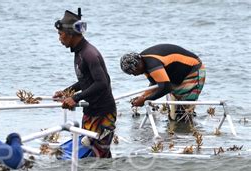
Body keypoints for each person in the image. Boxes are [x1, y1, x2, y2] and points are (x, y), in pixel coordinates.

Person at [53, 9, 117, 158]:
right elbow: (86, 80)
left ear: (70, 34)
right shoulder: (79, 52)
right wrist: (67, 91)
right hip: (90, 112)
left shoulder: (89, 54)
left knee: (99, 156)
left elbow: (102, 83)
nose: (59, 39)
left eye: (60, 34)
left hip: (103, 113)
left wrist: (75, 98)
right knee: (90, 154)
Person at [120, 44, 206, 121]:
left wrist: (145, 100)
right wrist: (143, 96)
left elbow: (165, 88)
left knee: (183, 113)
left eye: (134, 71)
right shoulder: (144, 64)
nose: (134, 75)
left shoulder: (152, 63)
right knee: (174, 114)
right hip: (176, 78)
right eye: (130, 73)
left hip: (193, 71)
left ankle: (187, 136)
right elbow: (155, 84)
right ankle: (179, 136)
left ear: (138, 64)